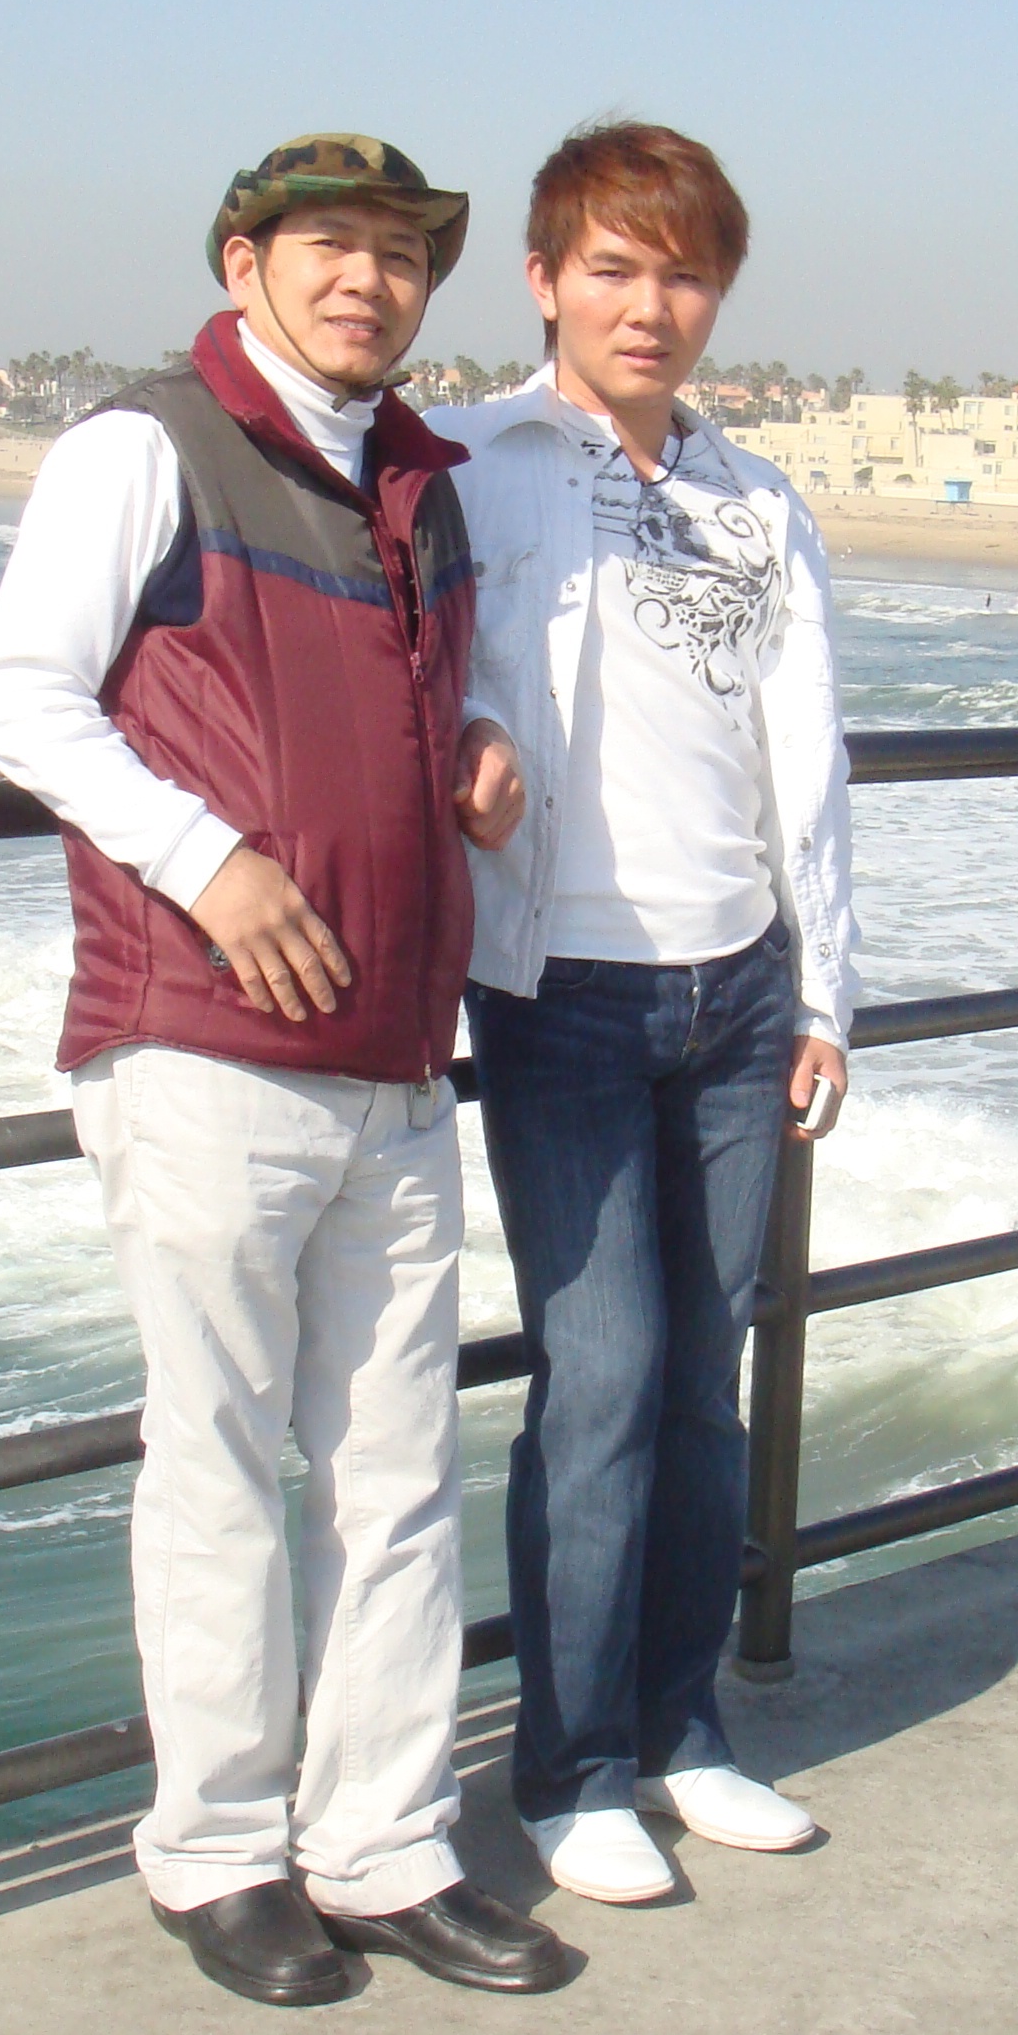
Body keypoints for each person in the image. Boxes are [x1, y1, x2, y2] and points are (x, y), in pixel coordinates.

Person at [0, 134, 566, 2006]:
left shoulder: (416, 483)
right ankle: (216, 1851)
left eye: (399, 253)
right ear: (245, 262)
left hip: (393, 1052)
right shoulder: (146, 445)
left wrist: (465, 741)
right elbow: (14, 692)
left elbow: (392, 696)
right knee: (220, 1460)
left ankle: (381, 1839)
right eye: (329, 245)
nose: (366, 279)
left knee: (394, 1470)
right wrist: (209, 862)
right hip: (207, 1040)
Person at [429, 121, 859, 1908]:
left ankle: (684, 1733)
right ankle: (569, 1762)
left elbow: (803, 757)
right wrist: (449, 741)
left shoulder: (753, 500)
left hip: (741, 992)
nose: (647, 302)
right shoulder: (458, 465)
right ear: (542, 282)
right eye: (611, 265)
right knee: (595, 1378)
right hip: (563, 996)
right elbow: (392, 663)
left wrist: (826, 983)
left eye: (679, 271)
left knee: (703, 1384)